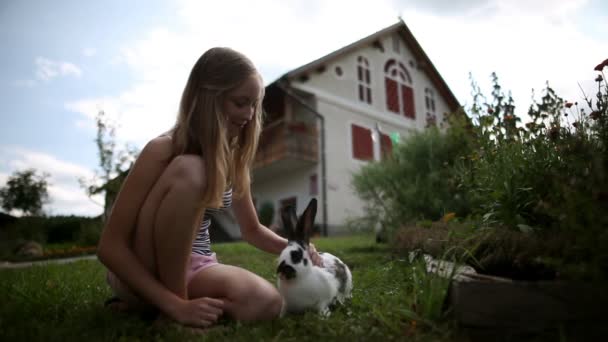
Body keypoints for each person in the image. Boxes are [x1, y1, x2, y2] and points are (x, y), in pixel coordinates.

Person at [96, 47, 322, 329]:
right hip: (144, 265)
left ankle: (151, 307)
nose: (250, 115)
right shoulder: (162, 150)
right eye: (240, 103)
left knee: (267, 303)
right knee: (192, 169)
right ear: (208, 98)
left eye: (254, 105)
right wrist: (176, 305)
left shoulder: (233, 160)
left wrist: (299, 247)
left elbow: (251, 230)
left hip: (195, 265)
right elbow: (110, 247)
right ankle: (170, 310)